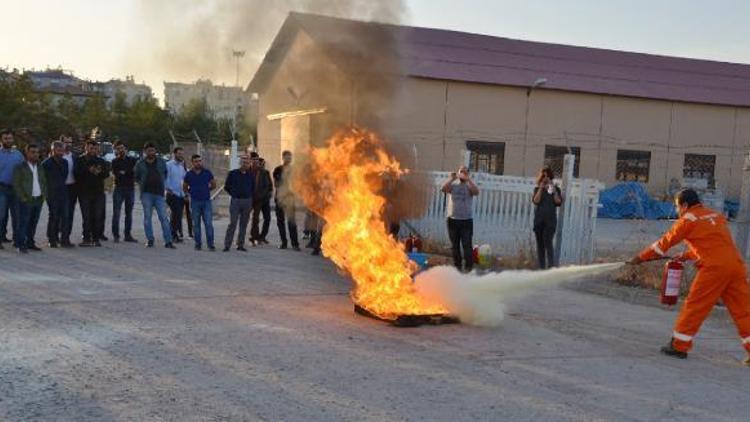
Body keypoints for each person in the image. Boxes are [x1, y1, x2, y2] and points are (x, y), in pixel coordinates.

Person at [629, 189, 750, 366]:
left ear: (685, 205)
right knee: (744, 310)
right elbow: (713, 245)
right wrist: (685, 256)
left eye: (678, 207)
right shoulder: (714, 216)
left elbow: (663, 245)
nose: (678, 211)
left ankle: (679, 345)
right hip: (735, 267)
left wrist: (640, 258)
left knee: (695, 306)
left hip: (714, 270)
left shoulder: (687, 220)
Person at [134, 143, 175, 249]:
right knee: (147, 218)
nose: (151, 152)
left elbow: (165, 174)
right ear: (145, 151)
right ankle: (150, 239)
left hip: (159, 194)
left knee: (164, 218)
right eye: (149, 151)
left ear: (155, 151)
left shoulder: (161, 162)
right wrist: (142, 183)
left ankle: (168, 241)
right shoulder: (140, 163)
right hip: (146, 193)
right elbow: (136, 176)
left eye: (152, 150)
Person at [441, 166, 479, 272]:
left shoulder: (469, 186)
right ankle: (457, 267)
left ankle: (468, 268)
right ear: (458, 173)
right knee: (454, 246)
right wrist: (451, 178)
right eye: (461, 172)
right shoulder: (453, 185)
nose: (463, 174)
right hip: (452, 220)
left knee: (467, 245)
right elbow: (443, 189)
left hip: (466, 221)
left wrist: (469, 180)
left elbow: (476, 192)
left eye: (465, 172)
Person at [74, 140, 110, 247]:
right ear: (86, 148)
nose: (93, 150)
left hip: (98, 192)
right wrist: (88, 169)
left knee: (97, 216)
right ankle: (86, 238)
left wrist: (98, 172)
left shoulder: (101, 161)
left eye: (95, 148)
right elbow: (76, 173)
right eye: (91, 148)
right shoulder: (80, 160)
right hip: (84, 192)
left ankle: (96, 238)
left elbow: (106, 174)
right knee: (86, 216)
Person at [12, 144, 46, 253]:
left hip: (38, 199)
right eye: (33, 152)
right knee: (23, 223)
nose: (36, 154)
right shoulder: (20, 167)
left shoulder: (40, 166)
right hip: (26, 200)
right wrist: (23, 198)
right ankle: (21, 244)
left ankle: (30, 242)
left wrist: (44, 195)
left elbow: (43, 181)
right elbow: (16, 184)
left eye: (37, 152)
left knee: (33, 222)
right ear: (26, 153)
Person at [183, 154, 216, 251]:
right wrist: (189, 192)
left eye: (200, 161)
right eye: (196, 161)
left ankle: (211, 245)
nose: (199, 163)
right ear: (192, 163)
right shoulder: (189, 174)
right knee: (196, 224)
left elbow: (213, 184)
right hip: (195, 202)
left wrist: (206, 189)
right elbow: (185, 186)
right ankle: (198, 244)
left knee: (208, 223)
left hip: (206, 202)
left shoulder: (207, 172)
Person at [532, 167, 562, 269]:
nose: (545, 178)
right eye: (543, 176)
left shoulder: (555, 189)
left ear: (551, 177)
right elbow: (536, 201)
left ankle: (551, 267)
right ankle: (542, 268)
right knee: (540, 245)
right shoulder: (537, 189)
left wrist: (553, 189)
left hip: (550, 222)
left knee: (548, 242)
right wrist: (541, 187)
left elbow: (558, 202)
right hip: (539, 221)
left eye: (547, 176)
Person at [41, 141, 71, 248]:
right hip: (52, 194)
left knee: (66, 217)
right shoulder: (46, 164)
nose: (61, 152)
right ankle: (52, 239)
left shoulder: (65, 162)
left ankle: (65, 240)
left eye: (62, 150)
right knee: (54, 216)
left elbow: (65, 175)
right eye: (58, 150)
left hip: (63, 193)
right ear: (52, 150)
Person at [223, 155, 254, 252]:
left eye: (247, 163)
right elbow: (226, 186)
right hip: (235, 201)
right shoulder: (233, 174)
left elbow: (253, 188)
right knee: (233, 223)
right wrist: (233, 194)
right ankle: (227, 245)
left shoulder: (251, 175)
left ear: (249, 164)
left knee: (244, 224)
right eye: (243, 162)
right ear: (240, 163)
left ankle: (240, 244)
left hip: (247, 201)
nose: (245, 164)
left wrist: (249, 196)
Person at [0, 128, 24, 249]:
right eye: (6, 138)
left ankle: (17, 240)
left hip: (16, 189)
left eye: (10, 138)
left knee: (17, 215)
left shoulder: (18, 154)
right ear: (1, 140)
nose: (8, 140)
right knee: (1, 215)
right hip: (2, 188)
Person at [110, 140, 138, 243]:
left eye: (122, 148)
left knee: (129, 213)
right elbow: (117, 174)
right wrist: (127, 172)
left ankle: (127, 235)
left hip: (130, 189)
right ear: (116, 150)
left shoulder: (132, 160)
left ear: (126, 149)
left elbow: (133, 173)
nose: (121, 150)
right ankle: (116, 235)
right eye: (118, 149)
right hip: (119, 189)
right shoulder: (114, 162)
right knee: (116, 213)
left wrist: (125, 172)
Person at [273, 150, 300, 251]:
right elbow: (276, 184)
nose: (289, 159)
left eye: (290, 157)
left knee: (291, 222)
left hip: (290, 199)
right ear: (283, 158)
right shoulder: (278, 169)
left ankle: (295, 244)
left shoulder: (294, 170)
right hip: (280, 198)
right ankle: (283, 242)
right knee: (280, 222)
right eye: (287, 157)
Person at [166, 147, 188, 243]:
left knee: (177, 216)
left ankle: (174, 234)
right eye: (179, 153)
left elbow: (184, 180)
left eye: (182, 154)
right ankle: (173, 235)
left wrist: (185, 193)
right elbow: (165, 178)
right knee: (176, 214)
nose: (181, 155)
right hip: (172, 193)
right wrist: (168, 189)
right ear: (174, 154)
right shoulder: (168, 165)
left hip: (180, 194)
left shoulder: (181, 166)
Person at [250, 156, 272, 246]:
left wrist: (265, 195)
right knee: (254, 219)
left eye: (263, 163)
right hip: (252, 199)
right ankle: (254, 236)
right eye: (260, 162)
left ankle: (261, 236)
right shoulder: (250, 172)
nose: (261, 164)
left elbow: (269, 186)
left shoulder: (265, 173)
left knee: (264, 218)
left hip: (263, 199)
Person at [61, 134, 78, 247]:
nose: (68, 145)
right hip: (61, 188)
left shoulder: (75, 157)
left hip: (72, 188)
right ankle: (55, 237)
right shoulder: (58, 156)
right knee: (59, 214)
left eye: (70, 142)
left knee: (69, 214)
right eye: (66, 142)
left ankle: (66, 237)